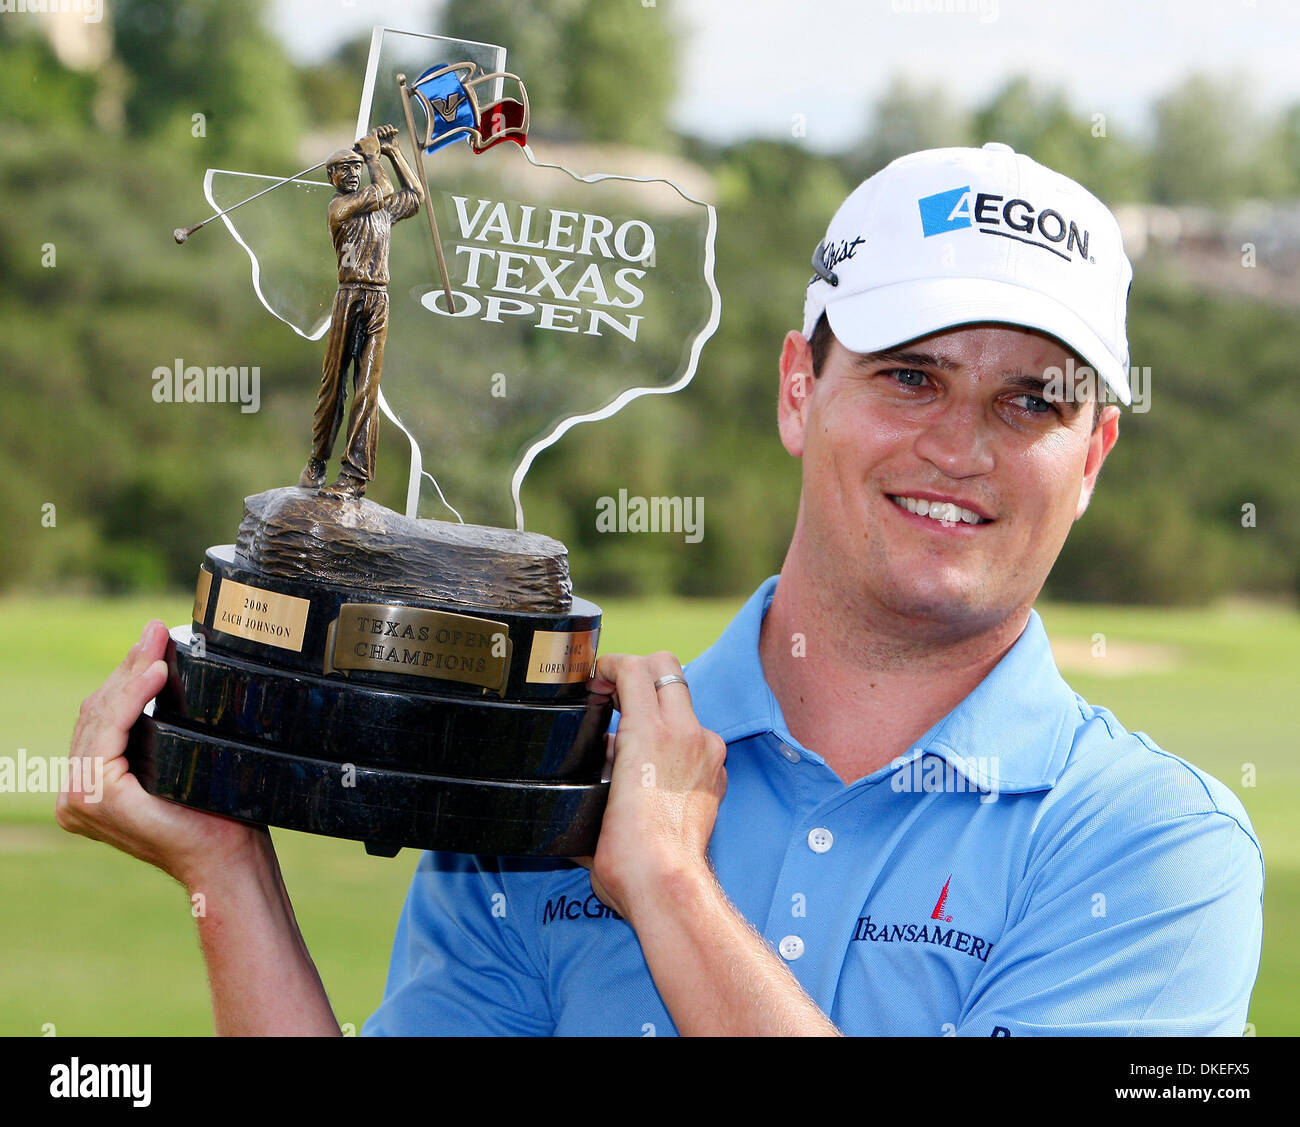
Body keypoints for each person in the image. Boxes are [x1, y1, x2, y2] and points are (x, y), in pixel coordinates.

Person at [59, 143, 1263, 1036]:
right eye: (909, 377)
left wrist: (672, 886)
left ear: (1094, 454)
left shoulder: (1157, 850)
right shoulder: (551, 763)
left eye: (1031, 401)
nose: (960, 445)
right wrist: (228, 873)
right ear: (799, 389)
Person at [299, 124, 423, 498]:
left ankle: (354, 475)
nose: (352, 173)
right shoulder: (340, 207)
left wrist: (393, 151)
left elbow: (415, 196)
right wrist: (371, 156)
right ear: (331, 177)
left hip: (377, 299)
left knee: (367, 387)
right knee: (334, 383)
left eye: (356, 167)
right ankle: (318, 461)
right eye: (344, 168)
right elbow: (383, 189)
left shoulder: (382, 213)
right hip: (349, 295)